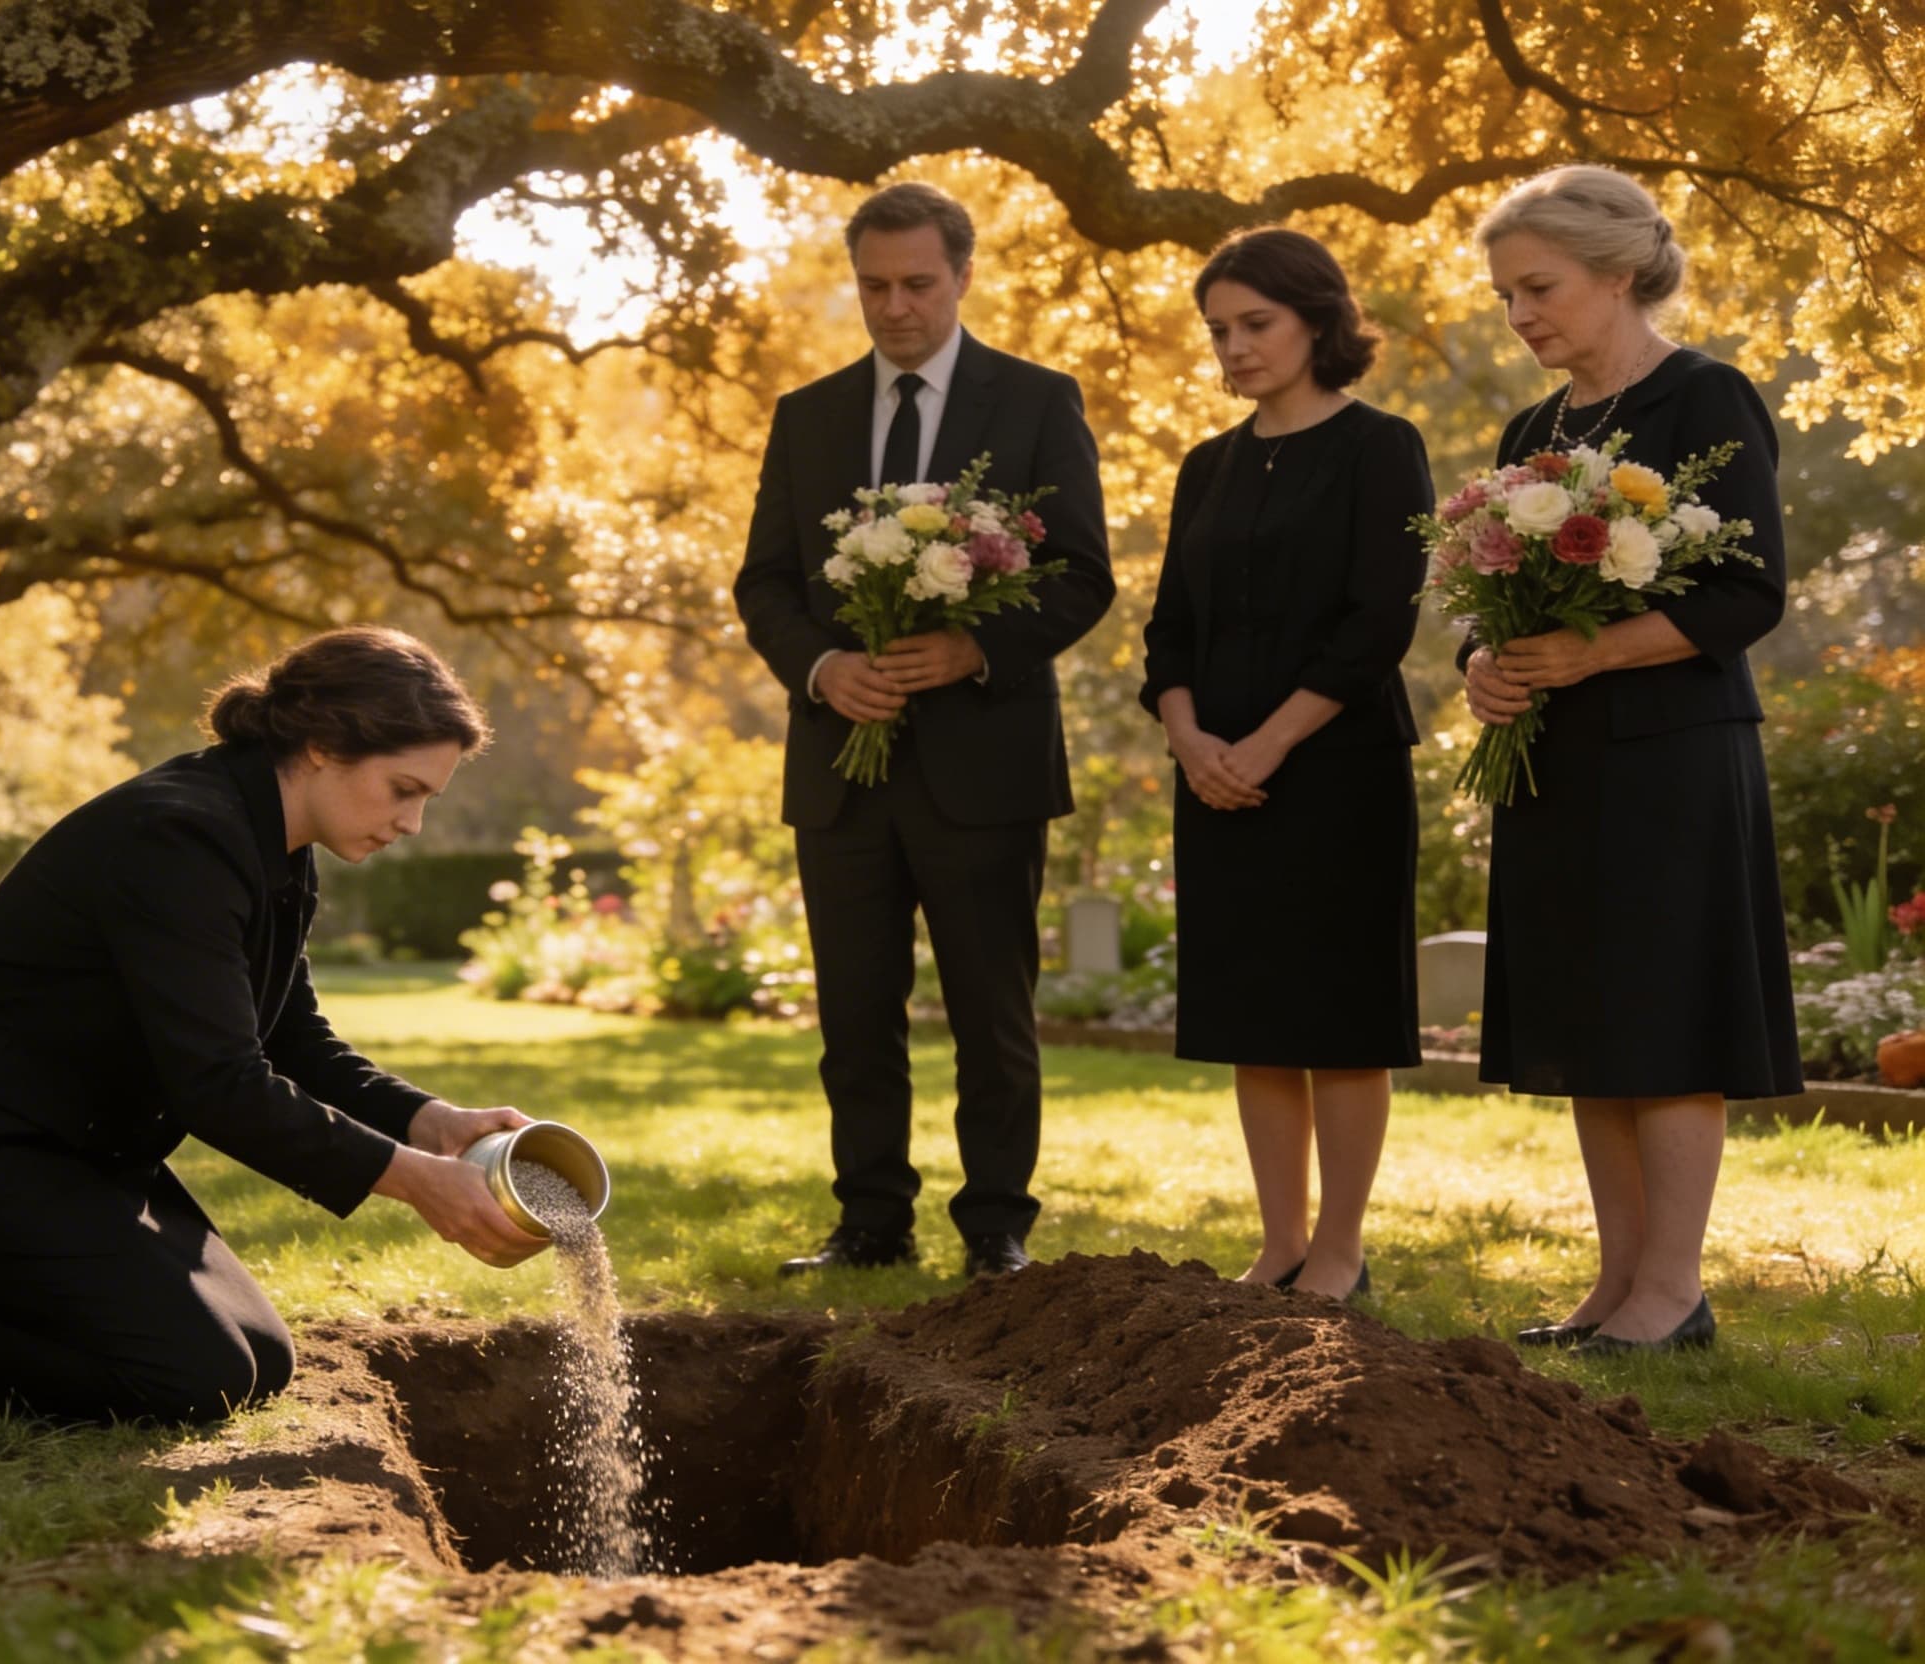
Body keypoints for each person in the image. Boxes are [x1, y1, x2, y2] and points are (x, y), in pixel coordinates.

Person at [0, 627, 549, 1423]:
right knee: (191, 1374)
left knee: (258, 1357)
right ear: (326, 744)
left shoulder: (277, 848)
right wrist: (415, 1179)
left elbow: (291, 1038)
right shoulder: (180, 834)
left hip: (76, 1146)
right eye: (404, 790)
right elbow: (219, 1086)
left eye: (427, 801)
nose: (412, 824)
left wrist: (430, 1121)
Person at [733, 182, 1114, 1280]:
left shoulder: (1039, 401)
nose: (894, 306)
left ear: (963, 275)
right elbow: (763, 582)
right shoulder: (806, 415)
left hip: (984, 763)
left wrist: (972, 649)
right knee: (855, 1017)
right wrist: (823, 666)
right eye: (873, 285)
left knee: (992, 1012)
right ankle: (868, 1222)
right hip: (840, 769)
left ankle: (996, 1225)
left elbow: (1082, 574)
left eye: (916, 283)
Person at [1464, 166, 1801, 1353]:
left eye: (1538, 288)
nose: (1519, 316)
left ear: (1617, 272)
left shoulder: (1708, 397)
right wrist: (1485, 665)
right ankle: (1617, 1285)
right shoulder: (1529, 429)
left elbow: (1749, 594)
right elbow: (1487, 597)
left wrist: (1588, 652)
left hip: (1672, 762)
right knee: (1592, 1025)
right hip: (1558, 762)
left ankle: (1674, 1288)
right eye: (1506, 295)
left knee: (1663, 1020)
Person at [1138, 228, 1431, 1301]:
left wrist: (1266, 740)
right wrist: (1187, 736)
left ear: (1318, 318)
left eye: (1254, 323)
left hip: (1336, 770)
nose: (1234, 346)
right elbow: (1169, 627)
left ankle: (1343, 1250)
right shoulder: (1205, 465)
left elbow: (1376, 623)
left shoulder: (1381, 445)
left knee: (1341, 1020)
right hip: (1213, 774)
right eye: (1219, 329)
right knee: (1253, 1019)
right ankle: (1280, 1243)